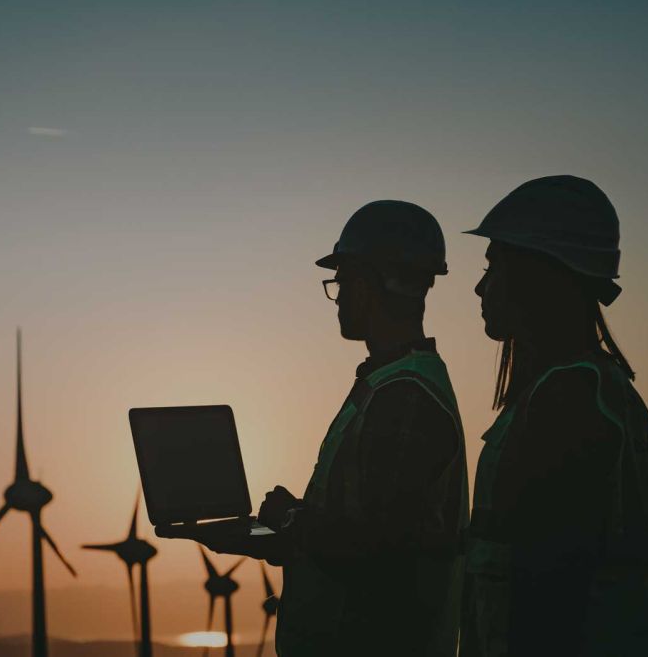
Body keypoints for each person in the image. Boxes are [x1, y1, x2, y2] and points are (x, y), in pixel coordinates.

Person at [194, 200, 469, 656]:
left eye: (340, 281)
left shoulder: (404, 397)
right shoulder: (390, 383)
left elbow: (376, 550)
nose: (337, 296)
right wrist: (276, 537)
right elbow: (371, 529)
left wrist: (288, 519)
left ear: (366, 284)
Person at [461, 175, 648, 657]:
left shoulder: (567, 402)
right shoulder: (596, 390)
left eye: (495, 265)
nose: (480, 285)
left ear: (538, 271)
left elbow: (548, 599)